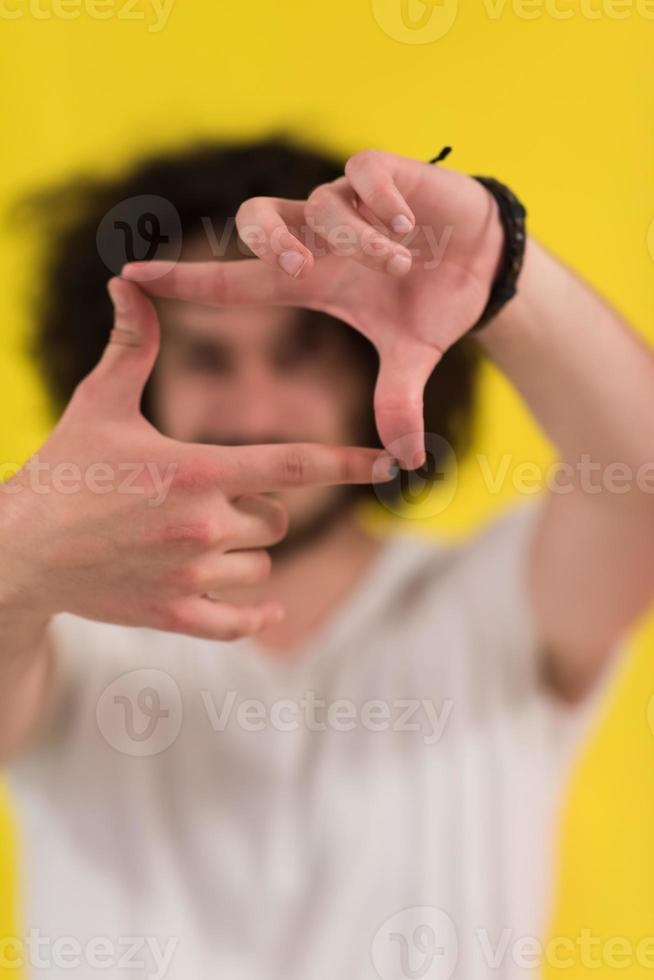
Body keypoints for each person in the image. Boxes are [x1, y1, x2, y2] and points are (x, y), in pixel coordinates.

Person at [1, 138, 652, 980]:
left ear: (372, 367)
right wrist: (20, 554)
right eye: (205, 356)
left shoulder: (487, 604)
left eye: (301, 352)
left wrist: (500, 269)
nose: (254, 407)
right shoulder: (58, 627)